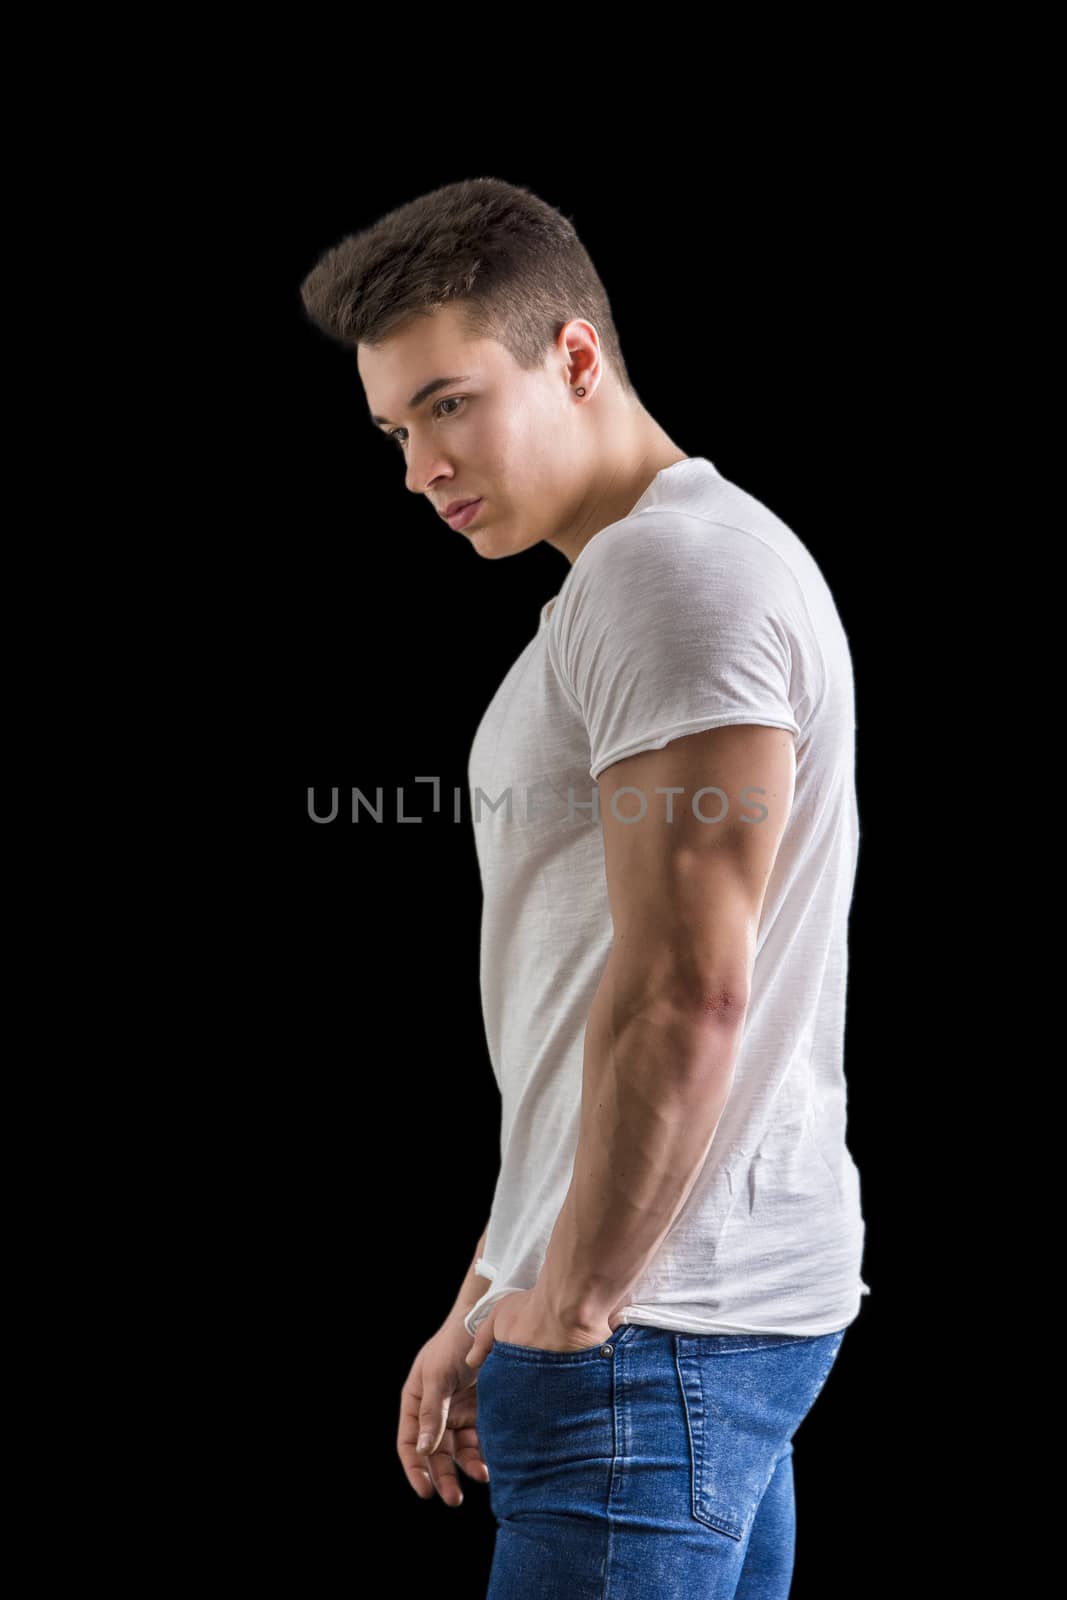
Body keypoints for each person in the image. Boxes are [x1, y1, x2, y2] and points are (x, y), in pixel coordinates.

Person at [300, 176, 870, 1598]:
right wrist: (494, 1285)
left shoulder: (666, 576)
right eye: (394, 430)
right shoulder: (669, 570)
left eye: (448, 403)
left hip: (649, 1334)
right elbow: (592, 992)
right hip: (670, 1320)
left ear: (573, 356)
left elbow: (690, 986)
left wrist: (578, 1302)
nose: (422, 467)